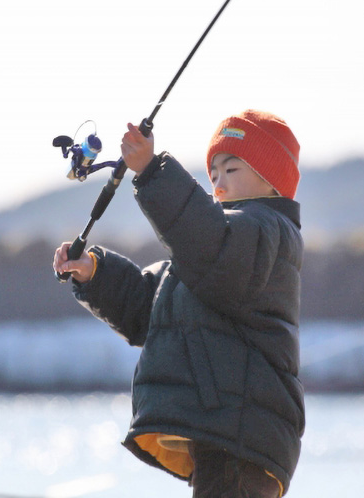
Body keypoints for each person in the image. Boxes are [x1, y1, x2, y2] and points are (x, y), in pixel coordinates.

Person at [53, 110, 305, 497]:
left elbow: (208, 239)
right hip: (223, 432)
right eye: (214, 174)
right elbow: (147, 309)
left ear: (270, 181)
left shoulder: (265, 234)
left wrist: (152, 171)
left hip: (241, 432)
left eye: (232, 169)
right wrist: (94, 272)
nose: (218, 183)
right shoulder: (212, 257)